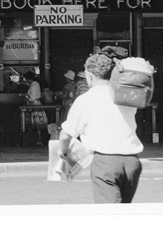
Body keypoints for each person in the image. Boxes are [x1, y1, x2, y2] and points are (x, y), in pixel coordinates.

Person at [58, 52, 144, 203]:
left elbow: (66, 135)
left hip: (106, 163)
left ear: (89, 75)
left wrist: (63, 152)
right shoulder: (125, 95)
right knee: (124, 210)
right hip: (132, 162)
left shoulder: (85, 100)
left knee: (110, 215)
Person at [23, 71, 48, 146]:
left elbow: (32, 98)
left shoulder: (33, 86)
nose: (26, 80)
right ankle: (39, 140)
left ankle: (36, 140)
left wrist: (26, 96)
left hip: (33, 105)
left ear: (30, 79)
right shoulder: (36, 84)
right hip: (38, 103)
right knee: (38, 124)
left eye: (26, 79)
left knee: (34, 123)